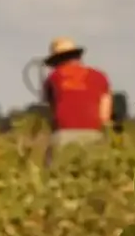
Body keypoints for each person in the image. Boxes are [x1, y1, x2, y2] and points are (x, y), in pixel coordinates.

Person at [39, 36, 111, 167]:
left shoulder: (53, 78)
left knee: (53, 175)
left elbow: (51, 111)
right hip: (94, 135)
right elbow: (105, 116)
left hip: (62, 135)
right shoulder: (100, 76)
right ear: (78, 56)